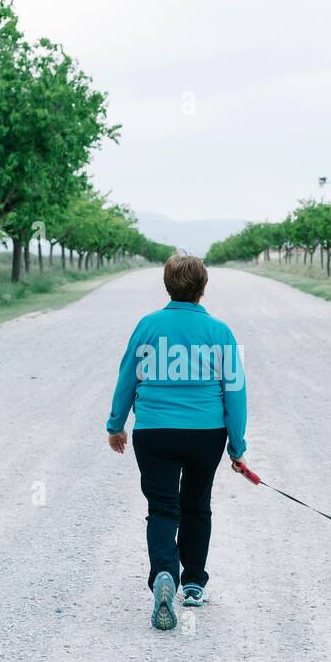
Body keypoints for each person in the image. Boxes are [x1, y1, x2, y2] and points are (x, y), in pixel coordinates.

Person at [106, 255, 248, 630]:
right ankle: (195, 583)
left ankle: (164, 573)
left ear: (167, 285)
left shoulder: (148, 327)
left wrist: (116, 425)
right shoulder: (219, 333)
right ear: (203, 288)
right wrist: (237, 445)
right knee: (197, 505)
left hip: (154, 432)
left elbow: (127, 378)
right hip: (206, 433)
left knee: (162, 507)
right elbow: (234, 391)